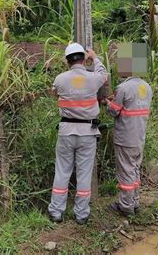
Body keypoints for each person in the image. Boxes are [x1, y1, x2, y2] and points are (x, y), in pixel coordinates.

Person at [48, 43, 107, 225]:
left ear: (67, 61)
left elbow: (53, 93)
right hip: (87, 134)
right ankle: (81, 214)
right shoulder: (93, 78)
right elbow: (104, 74)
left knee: (62, 172)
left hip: (66, 132)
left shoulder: (60, 79)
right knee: (84, 174)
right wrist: (94, 57)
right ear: (83, 58)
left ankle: (56, 212)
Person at [106, 73, 153, 216]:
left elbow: (113, 111)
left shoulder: (123, 88)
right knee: (134, 169)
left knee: (126, 172)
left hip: (125, 138)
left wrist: (107, 103)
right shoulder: (147, 87)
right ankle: (135, 202)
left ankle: (125, 207)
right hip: (139, 137)